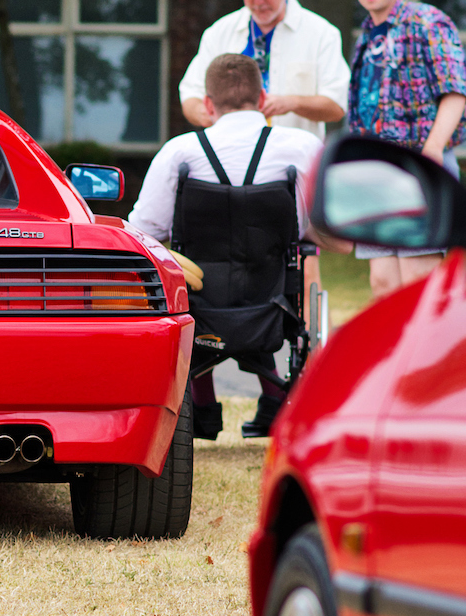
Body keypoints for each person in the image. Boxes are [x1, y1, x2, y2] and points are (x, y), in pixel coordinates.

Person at [130, 54, 322, 440]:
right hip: (274, 304)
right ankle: (275, 400)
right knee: (270, 270)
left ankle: (202, 408)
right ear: (262, 97)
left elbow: (143, 230)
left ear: (208, 104)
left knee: (200, 282)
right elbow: (313, 226)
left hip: (201, 302)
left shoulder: (179, 152)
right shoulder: (301, 147)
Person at [342, 0, 466, 296]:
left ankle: (432, 352)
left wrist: (432, 151)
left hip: (417, 165)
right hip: (376, 172)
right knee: (383, 283)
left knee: (418, 277)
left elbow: (455, 91)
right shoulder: (366, 35)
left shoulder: (428, 21)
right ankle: (399, 353)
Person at [176, 0, 348, 138]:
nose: (258, 1)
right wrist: (207, 114)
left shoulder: (322, 34)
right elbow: (190, 96)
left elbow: (336, 107)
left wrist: (291, 103)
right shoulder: (219, 32)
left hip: (293, 161)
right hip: (232, 162)